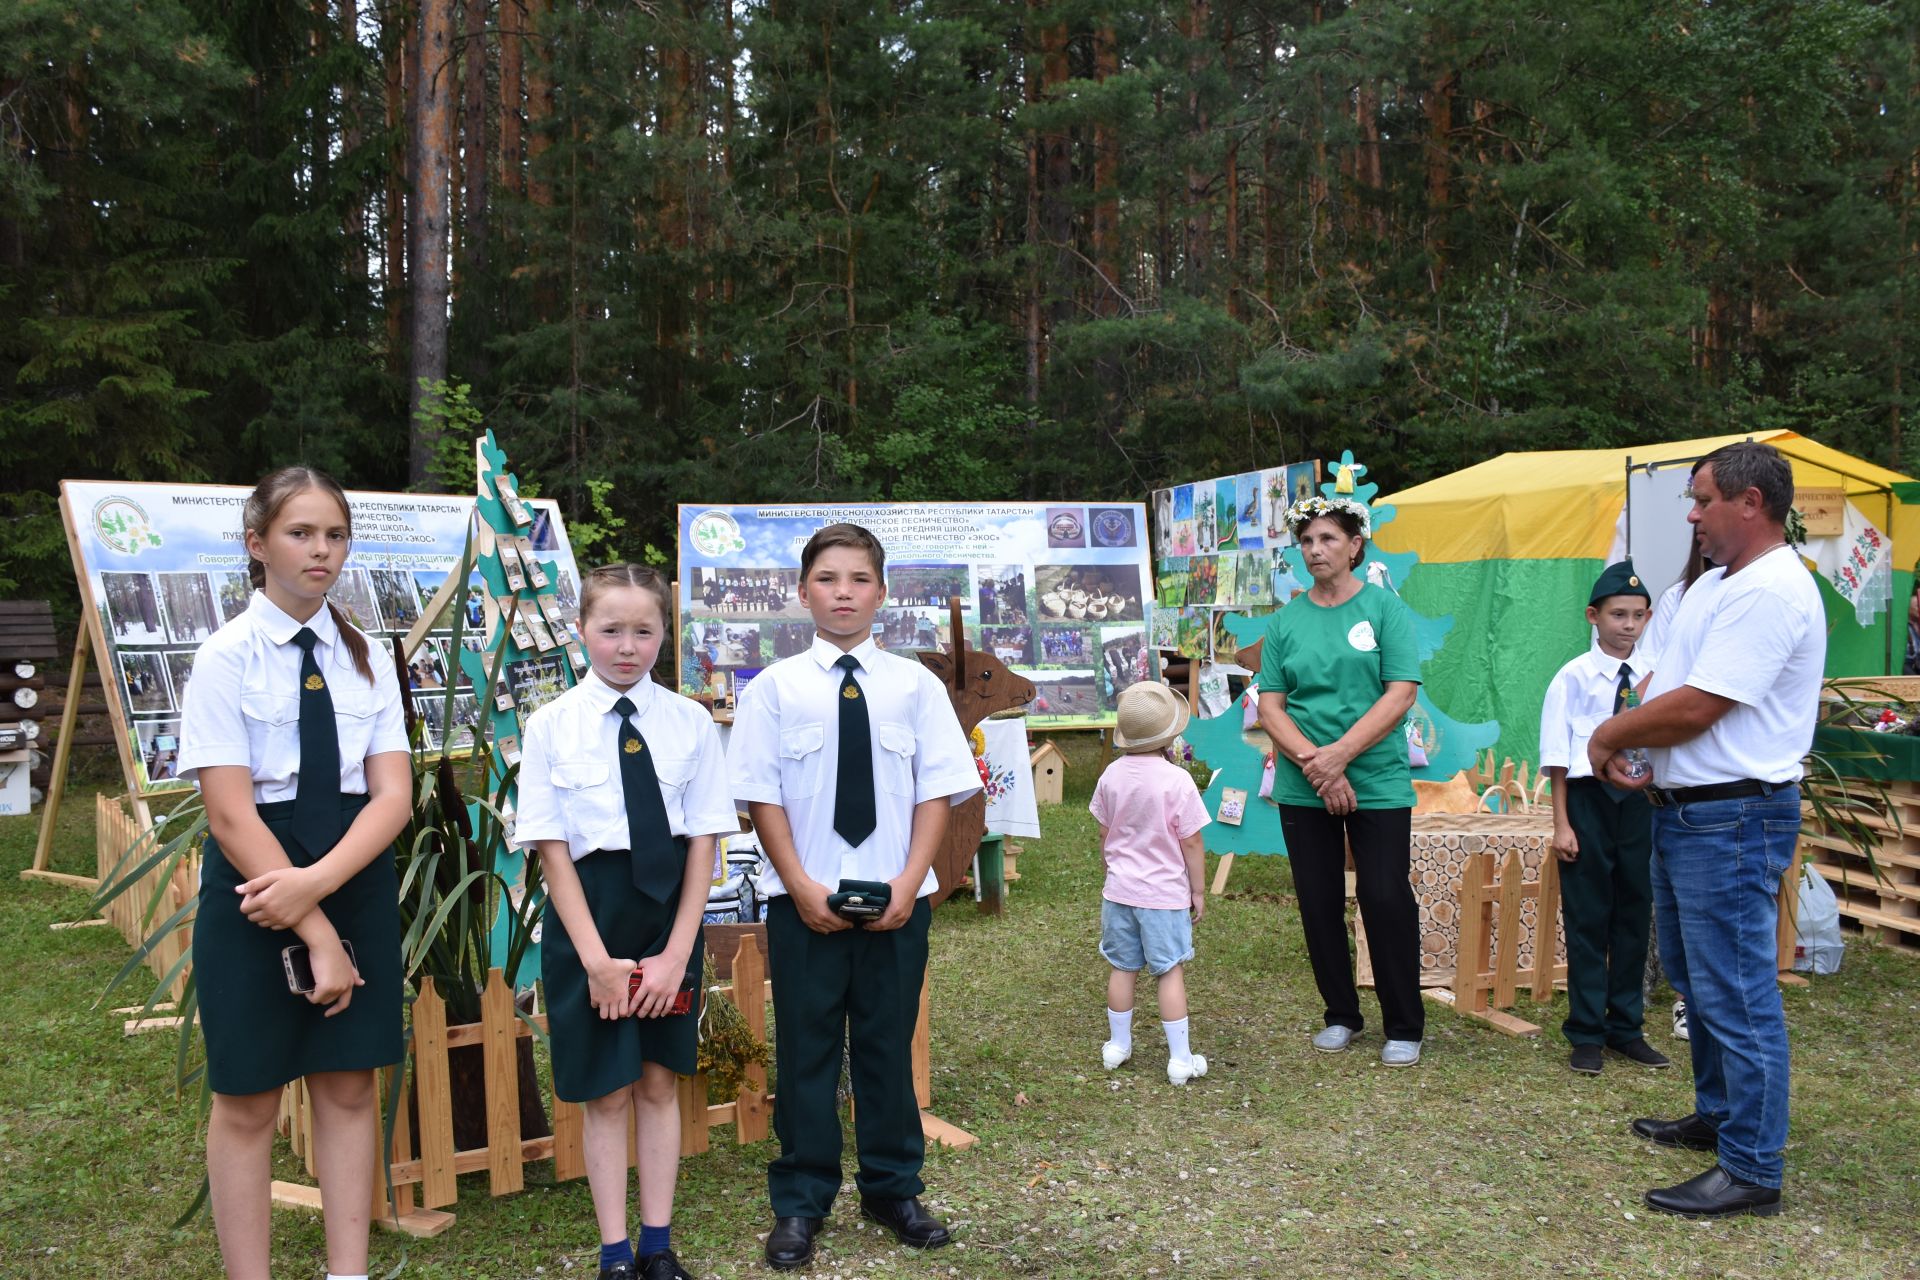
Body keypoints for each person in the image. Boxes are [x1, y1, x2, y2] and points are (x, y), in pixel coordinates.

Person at [175, 467, 411, 1280]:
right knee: (248, 1098)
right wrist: (311, 924)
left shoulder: (367, 654)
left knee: (348, 1086)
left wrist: (324, 889)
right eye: (301, 533)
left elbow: (393, 796)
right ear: (257, 545)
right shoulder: (224, 657)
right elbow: (230, 813)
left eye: (335, 535)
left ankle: (347, 1273)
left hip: (354, 869)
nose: (321, 550)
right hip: (256, 881)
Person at [729, 523, 980, 1271]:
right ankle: (803, 1200)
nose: (844, 592)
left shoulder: (914, 685)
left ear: (883, 592)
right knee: (805, 1052)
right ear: (802, 591)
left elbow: (937, 789)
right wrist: (800, 887)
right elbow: (759, 798)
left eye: (859, 579)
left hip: (896, 902)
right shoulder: (774, 688)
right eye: (828, 579)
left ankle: (892, 1187)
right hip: (803, 904)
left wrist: (910, 884)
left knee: (884, 1045)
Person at [1588, 441, 1823, 1219]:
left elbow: (1699, 705)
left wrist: (1610, 738)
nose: (1691, 515)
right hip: (1693, 812)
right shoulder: (1720, 584)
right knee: (1698, 981)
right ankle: (1721, 1117)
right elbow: (1663, 678)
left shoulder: (1773, 590)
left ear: (1750, 504)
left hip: (1734, 815)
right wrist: (1635, 730)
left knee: (1738, 993)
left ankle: (1753, 1167)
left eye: (1701, 499)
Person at [515, 564, 737, 1280]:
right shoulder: (550, 727)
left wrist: (676, 953)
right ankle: (614, 1251)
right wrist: (597, 963)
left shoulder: (690, 722)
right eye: (611, 630)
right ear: (582, 630)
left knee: (657, 1080)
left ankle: (657, 1242)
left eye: (644, 631)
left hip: (665, 915)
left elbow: (704, 838)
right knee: (607, 1088)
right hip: (590, 919)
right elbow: (551, 851)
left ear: (665, 635)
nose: (626, 646)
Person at [1255, 494, 1424, 1067]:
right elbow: (1271, 706)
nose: (1315, 550)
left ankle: (1403, 1023)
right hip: (1305, 784)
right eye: (1306, 541)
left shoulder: (1384, 610)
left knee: (1383, 895)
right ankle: (1341, 1014)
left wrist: (1341, 757)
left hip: (1375, 778)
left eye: (1327, 539)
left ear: (1355, 546)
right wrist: (1315, 765)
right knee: (1319, 900)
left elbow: (1400, 692)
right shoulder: (1286, 622)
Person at [1538, 561, 1670, 1075]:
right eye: (1617, 614)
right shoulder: (1572, 678)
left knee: (1635, 917)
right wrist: (1562, 824)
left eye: (1638, 615)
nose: (1628, 625)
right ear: (1594, 616)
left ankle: (1626, 1028)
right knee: (1589, 919)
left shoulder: (1658, 677)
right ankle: (1586, 1031)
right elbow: (1555, 758)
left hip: (1640, 804)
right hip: (1588, 804)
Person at [1091, 681, 1211, 1085]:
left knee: (1122, 968)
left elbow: (1106, 832)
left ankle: (1117, 1046)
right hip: (1164, 896)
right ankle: (1180, 1058)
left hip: (1120, 891)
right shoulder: (1177, 781)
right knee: (1169, 971)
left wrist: (1113, 868)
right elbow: (1191, 841)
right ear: (1171, 735)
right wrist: (1197, 890)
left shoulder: (1110, 775)